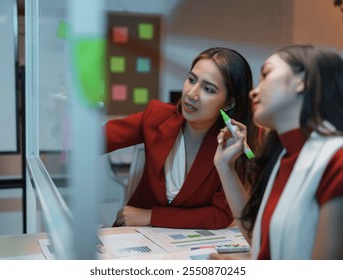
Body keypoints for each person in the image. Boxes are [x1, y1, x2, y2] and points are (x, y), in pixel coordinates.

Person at [212, 45, 343, 259]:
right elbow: (262, 240)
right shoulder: (284, 154)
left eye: (266, 75)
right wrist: (224, 167)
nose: (254, 91)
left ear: (303, 81)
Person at [104, 47, 259, 229]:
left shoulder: (231, 143)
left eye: (208, 89)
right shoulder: (157, 117)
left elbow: (219, 215)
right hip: (132, 235)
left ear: (229, 103)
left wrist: (151, 216)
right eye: (191, 80)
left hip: (183, 246)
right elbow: (96, 140)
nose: (191, 94)